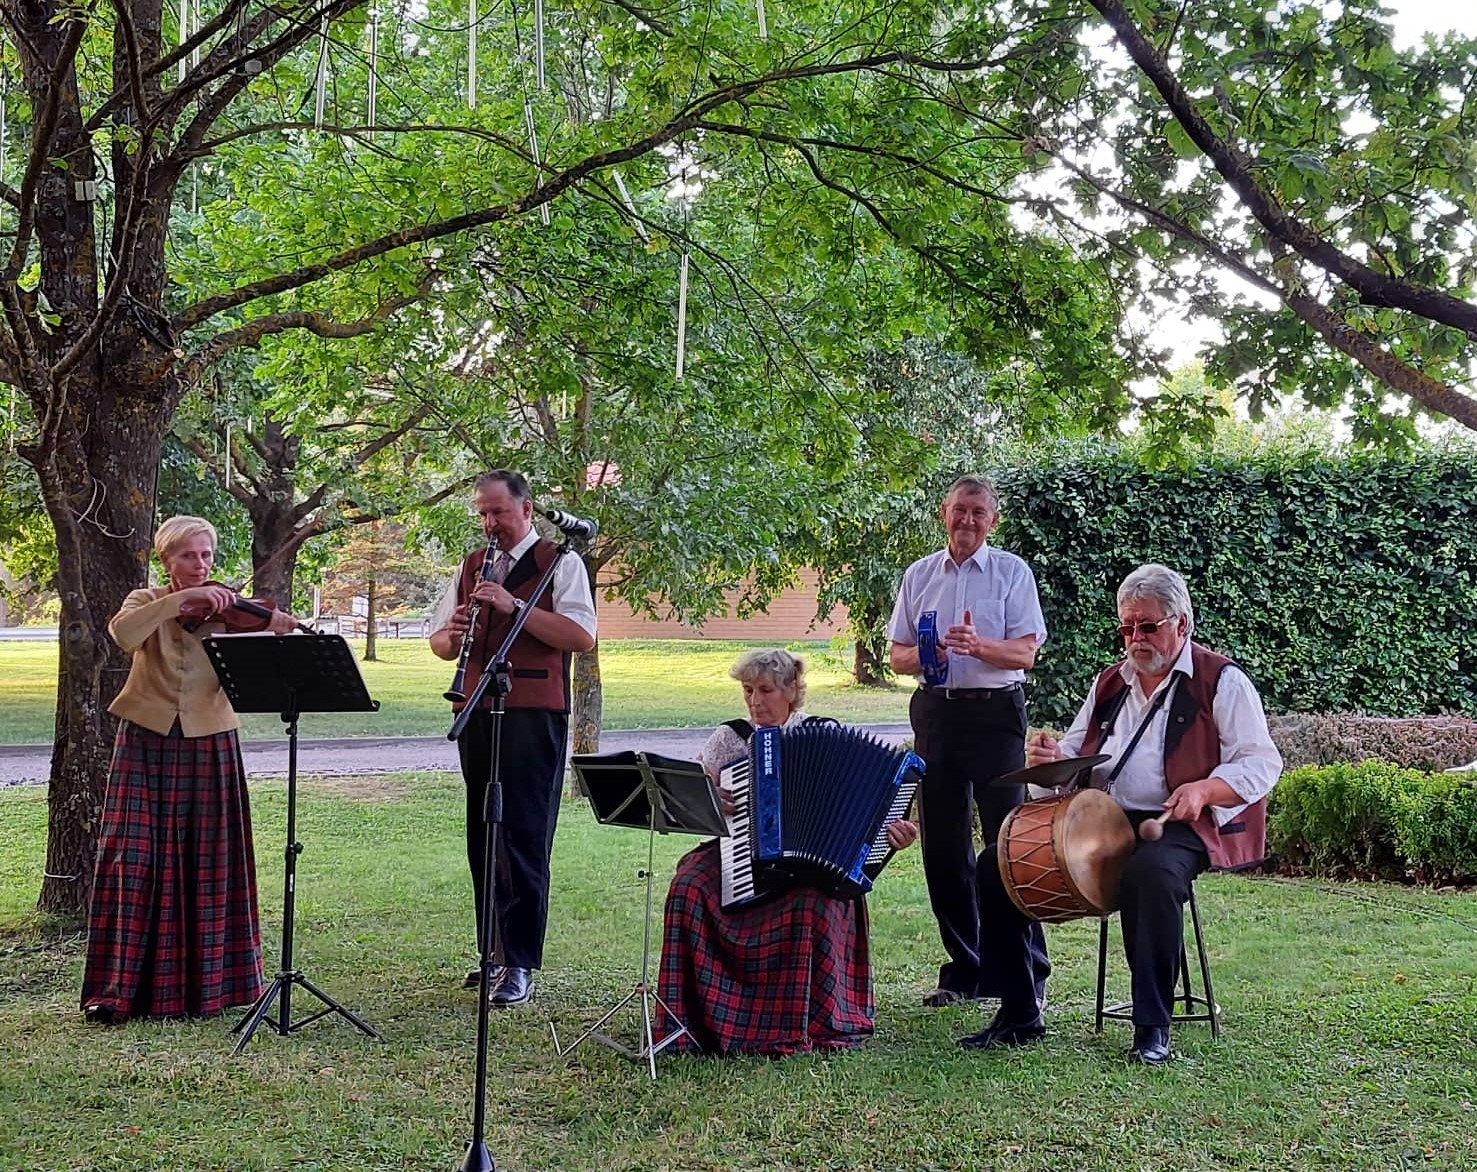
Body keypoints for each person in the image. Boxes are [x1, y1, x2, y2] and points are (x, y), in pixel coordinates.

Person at [962, 564, 1282, 1063]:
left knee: (1150, 874)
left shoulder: (1221, 681)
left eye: (1148, 626)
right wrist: (1053, 760)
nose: (1136, 638)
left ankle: (1152, 1028)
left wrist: (1206, 789)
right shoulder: (1111, 682)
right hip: (1105, 819)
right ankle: (1020, 1009)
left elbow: (1262, 762)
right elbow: (1077, 749)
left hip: (1181, 823)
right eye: (1127, 627)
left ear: (1182, 623)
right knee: (997, 864)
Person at [81, 515, 302, 1024]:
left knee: (209, 858)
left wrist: (275, 625)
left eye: (206, 555)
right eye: (189, 556)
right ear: (167, 561)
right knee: (134, 857)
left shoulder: (229, 608)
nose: (200, 565)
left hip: (210, 738)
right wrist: (180, 602)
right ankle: (121, 989)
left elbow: (267, 636)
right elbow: (123, 633)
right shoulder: (144, 600)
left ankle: (211, 988)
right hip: (146, 737)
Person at [655, 648, 919, 1057]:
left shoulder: (822, 733)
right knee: (688, 886)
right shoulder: (728, 738)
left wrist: (893, 836)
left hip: (808, 864)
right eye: (748, 690)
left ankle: (812, 1022)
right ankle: (695, 1018)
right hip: (735, 848)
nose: (754, 701)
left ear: (792, 690)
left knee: (818, 900)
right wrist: (709, 800)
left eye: (765, 690)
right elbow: (694, 801)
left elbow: (862, 816)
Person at [429, 470, 597, 1006]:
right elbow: (438, 643)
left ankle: (520, 961)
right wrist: (453, 633)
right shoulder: (472, 565)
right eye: (482, 513)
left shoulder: (560, 561)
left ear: (525, 509)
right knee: (484, 834)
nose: (489, 523)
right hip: (477, 708)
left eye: (498, 512)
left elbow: (581, 635)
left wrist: (514, 607)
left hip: (532, 713)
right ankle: (492, 953)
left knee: (523, 834)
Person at [887, 474, 1049, 1007]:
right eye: (960, 510)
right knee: (943, 848)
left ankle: (1028, 973)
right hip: (936, 713)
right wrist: (927, 655)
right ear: (944, 513)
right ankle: (966, 969)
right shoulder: (919, 575)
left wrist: (978, 646)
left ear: (992, 520)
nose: (968, 520)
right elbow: (897, 655)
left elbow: (1025, 653)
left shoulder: (1011, 573)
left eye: (979, 512)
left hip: (995, 714)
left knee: (1010, 844)